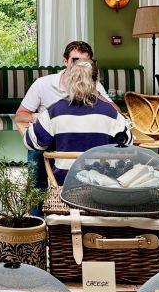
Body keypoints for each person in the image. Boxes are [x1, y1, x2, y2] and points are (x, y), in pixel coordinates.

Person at [14, 40, 113, 197]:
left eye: (85, 63)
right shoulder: (43, 84)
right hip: (50, 139)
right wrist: (47, 119)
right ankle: (36, 211)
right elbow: (20, 115)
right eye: (75, 62)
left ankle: (89, 199)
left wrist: (95, 91)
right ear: (65, 61)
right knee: (35, 151)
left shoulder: (95, 86)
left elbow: (114, 112)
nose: (79, 67)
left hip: (80, 141)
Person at [23, 60, 132, 185]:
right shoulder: (109, 112)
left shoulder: (55, 111)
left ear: (69, 80)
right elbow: (127, 142)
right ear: (95, 83)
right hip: (100, 185)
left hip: (65, 184)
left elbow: (30, 141)